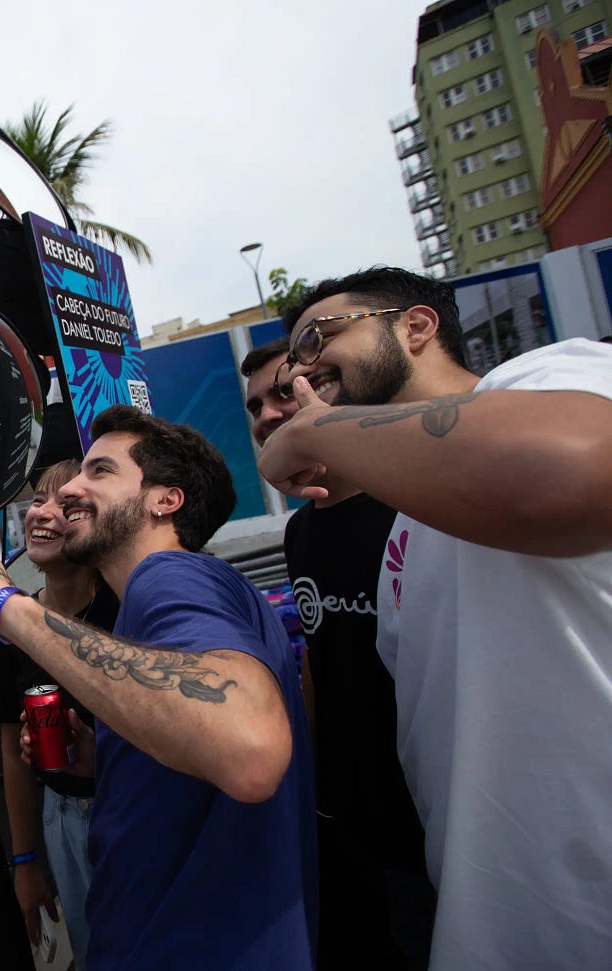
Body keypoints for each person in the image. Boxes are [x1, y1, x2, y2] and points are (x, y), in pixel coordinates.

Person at [259, 266, 612, 969]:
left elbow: (572, 471)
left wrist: (319, 430)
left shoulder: (547, 377)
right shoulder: (409, 529)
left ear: (416, 326)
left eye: (316, 339)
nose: (297, 370)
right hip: (491, 921)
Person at [0, 405, 317, 970]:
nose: (71, 488)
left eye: (100, 471)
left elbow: (250, 747)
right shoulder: (161, 593)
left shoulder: (172, 576)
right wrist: (106, 756)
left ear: (164, 500)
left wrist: (6, 606)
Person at [241, 337, 436, 968]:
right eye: (254, 405)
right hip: (351, 817)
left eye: (283, 392)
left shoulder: (417, 506)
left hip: (435, 815)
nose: (267, 414)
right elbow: (319, 659)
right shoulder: (302, 531)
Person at [0, 460, 118, 958]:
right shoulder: (12, 622)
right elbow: (11, 749)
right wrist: (24, 861)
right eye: (38, 499)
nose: (41, 512)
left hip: (125, 810)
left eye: (64, 504)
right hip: (57, 816)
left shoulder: (125, 610)